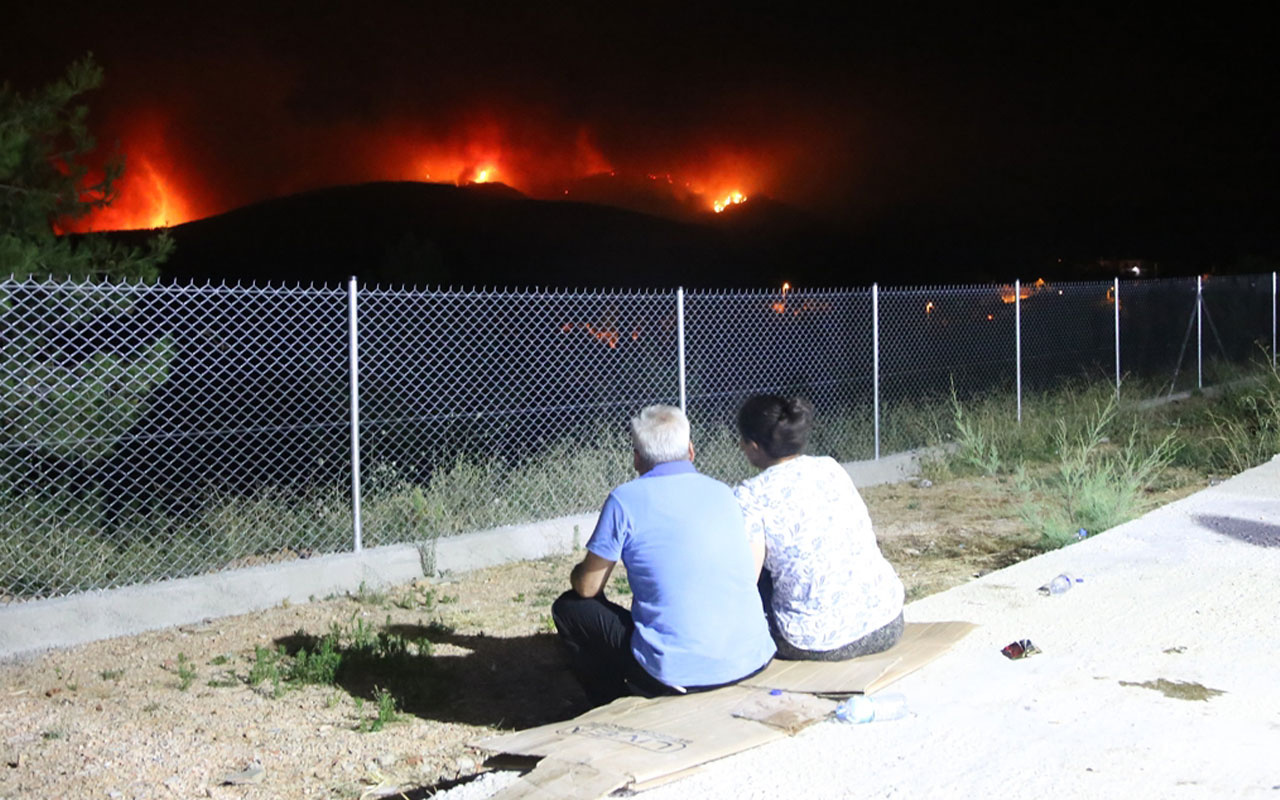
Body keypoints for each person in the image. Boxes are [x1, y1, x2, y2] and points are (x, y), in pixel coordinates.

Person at [552, 404, 775, 705]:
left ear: (637, 458)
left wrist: (577, 572)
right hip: (753, 660)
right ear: (691, 451)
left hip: (675, 676)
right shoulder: (724, 492)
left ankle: (610, 701)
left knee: (570, 607)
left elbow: (588, 587)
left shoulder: (625, 500)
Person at [734, 394, 905, 661]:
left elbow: (746, 578)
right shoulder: (830, 468)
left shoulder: (750, 495)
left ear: (754, 446)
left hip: (814, 640)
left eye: (742, 442)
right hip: (887, 621)